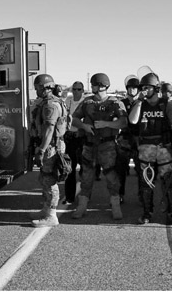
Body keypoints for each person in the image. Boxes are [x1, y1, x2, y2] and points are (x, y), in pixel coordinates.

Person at [71, 73, 127, 221]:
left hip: (107, 145)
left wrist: (106, 124)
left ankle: (115, 206)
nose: (92, 87)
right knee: (86, 177)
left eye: (94, 84)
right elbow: (74, 119)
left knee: (111, 177)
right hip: (89, 145)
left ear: (102, 86)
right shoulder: (87, 102)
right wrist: (84, 126)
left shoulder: (115, 103)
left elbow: (123, 122)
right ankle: (82, 207)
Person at [129, 72, 172, 225]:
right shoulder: (140, 104)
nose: (144, 90)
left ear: (155, 88)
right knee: (146, 182)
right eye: (142, 88)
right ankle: (147, 212)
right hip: (146, 149)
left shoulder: (166, 104)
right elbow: (133, 121)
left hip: (163, 148)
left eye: (147, 87)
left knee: (170, 182)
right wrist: (138, 101)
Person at [30, 73, 68, 228]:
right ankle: (46, 210)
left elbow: (49, 128)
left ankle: (51, 215)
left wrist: (41, 149)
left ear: (44, 87)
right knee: (44, 178)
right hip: (52, 145)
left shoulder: (50, 105)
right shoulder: (51, 101)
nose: (36, 90)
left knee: (49, 180)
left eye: (37, 87)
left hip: (51, 146)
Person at [115, 75, 140, 204]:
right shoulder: (122, 103)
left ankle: (143, 196)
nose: (132, 90)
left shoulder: (142, 102)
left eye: (135, 88)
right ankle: (119, 194)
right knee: (120, 170)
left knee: (141, 170)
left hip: (139, 139)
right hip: (124, 138)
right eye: (130, 88)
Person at [62, 82, 86, 205]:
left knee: (85, 169)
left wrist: (81, 130)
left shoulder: (86, 102)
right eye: (74, 89)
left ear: (83, 90)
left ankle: (84, 197)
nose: (76, 91)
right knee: (69, 168)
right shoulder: (68, 101)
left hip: (82, 138)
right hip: (69, 137)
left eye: (79, 89)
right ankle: (69, 197)